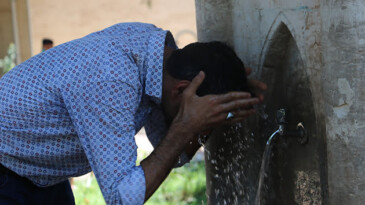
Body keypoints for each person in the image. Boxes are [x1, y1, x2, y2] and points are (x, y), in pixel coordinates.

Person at [0, 23, 266, 205]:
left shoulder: (155, 55)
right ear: (182, 89)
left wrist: (228, 90)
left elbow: (172, 154)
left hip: (42, 175)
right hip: (7, 168)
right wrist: (186, 127)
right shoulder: (111, 78)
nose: (202, 126)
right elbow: (121, 197)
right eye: (204, 118)